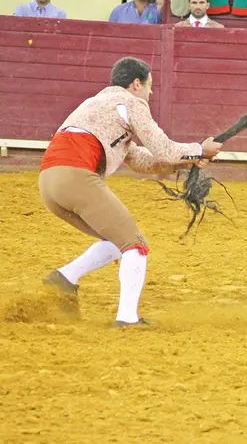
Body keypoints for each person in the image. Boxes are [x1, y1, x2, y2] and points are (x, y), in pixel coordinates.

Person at [39, 57, 223, 327]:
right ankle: (127, 318)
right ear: (136, 83)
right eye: (150, 86)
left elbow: (139, 159)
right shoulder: (131, 103)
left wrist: (186, 161)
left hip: (49, 183)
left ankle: (65, 278)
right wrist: (199, 150)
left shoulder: (97, 105)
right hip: (76, 177)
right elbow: (164, 149)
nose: (151, 93)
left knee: (117, 241)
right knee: (135, 244)